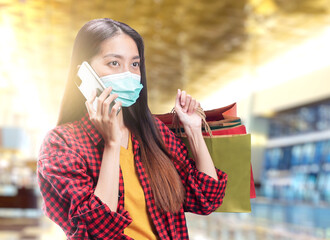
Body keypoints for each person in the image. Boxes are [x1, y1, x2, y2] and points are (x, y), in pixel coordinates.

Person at [37, 18, 227, 240]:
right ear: (84, 72)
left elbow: (206, 199)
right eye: (114, 63)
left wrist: (194, 130)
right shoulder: (61, 143)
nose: (128, 74)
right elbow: (98, 231)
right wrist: (111, 144)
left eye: (134, 64)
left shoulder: (153, 132)